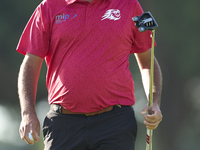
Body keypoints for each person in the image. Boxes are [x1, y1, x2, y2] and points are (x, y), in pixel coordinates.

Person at [17, 0, 163, 149]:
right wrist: (28, 112)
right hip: (63, 123)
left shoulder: (128, 5)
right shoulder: (48, 7)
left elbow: (148, 63)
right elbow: (30, 64)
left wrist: (155, 102)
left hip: (115, 123)